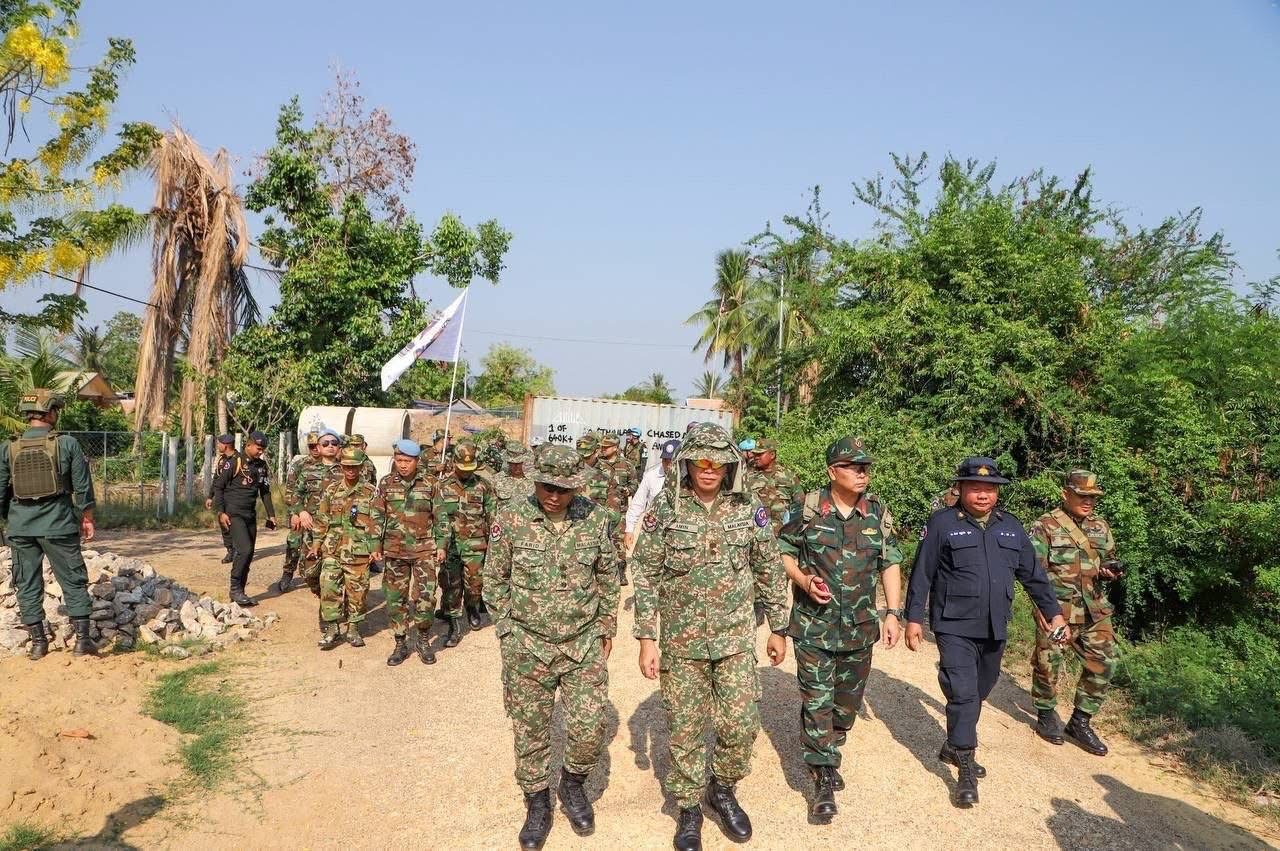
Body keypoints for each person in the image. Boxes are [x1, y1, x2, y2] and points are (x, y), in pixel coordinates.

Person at [631, 422, 789, 851]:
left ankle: (723, 788)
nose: (708, 468)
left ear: (729, 465)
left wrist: (779, 627)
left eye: (717, 462)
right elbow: (644, 572)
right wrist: (646, 638)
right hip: (682, 644)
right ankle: (688, 809)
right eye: (700, 460)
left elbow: (768, 567)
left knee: (741, 723)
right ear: (686, 462)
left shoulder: (748, 507)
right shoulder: (666, 508)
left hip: (734, 639)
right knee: (684, 729)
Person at [904, 456, 1069, 807]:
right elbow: (922, 573)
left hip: (995, 626)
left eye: (990, 489)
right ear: (961, 488)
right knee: (963, 693)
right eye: (976, 488)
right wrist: (913, 619)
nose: (983, 495)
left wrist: (1053, 613)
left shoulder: (1011, 527)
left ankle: (954, 742)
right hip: (954, 624)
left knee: (981, 689)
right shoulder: (942, 524)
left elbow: (1033, 576)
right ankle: (965, 766)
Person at [483, 445, 620, 850]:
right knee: (530, 730)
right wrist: (507, 632)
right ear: (536, 481)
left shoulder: (595, 518)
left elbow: (608, 574)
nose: (554, 496)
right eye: (547, 487)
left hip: (583, 643)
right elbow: (494, 579)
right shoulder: (511, 518)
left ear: (576, 487)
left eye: (563, 489)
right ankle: (537, 801)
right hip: (528, 645)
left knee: (590, 724)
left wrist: (606, 625)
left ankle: (572, 784)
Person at [778, 436, 903, 822]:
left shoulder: (877, 513)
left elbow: (890, 561)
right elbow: (782, 551)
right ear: (833, 472)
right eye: (853, 466)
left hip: (859, 629)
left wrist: (893, 612)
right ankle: (823, 776)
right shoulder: (807, 508)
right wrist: (803, 580)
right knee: (817, 700)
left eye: (866, 467)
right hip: (813, 627)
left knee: (845, 708)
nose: (862, 473)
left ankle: (828, 742)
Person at [1028, 470, 1121, 756]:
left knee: (1105, 661)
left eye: (1093, 497)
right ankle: (1046, 712)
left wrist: (1109, 572)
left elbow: (1107, 561)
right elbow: (1033, 572)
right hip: (1058, 609)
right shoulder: (1045, 525)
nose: (1088, 502)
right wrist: (1042, 608)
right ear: (1065, 494)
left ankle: (1080, 721)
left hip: (1094, 608)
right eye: (1082, 496)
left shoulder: (1100, 527)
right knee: (1048, 662)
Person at [0, 390, 98, 658]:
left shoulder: (8, 447)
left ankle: (38, 643)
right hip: (58, 524)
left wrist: (8, 521)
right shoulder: (67, 444)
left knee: (26, 583)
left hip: (21, 527)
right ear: (50, 412)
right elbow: (82, 487)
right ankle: (82, 642)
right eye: (56, 410)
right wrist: (87, 517)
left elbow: (0, 491)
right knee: (73, 580)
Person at [372, 439, 446, 666]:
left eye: (407, 461)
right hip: (394, 550)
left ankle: (423, 640)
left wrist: (442, 544)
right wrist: (375, 544)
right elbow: (377, 515)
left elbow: (441, 516)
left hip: (424, 550)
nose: (403, 465)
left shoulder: (431, 483)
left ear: (417, 461)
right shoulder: (386, 483)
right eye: (399, 460)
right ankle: (400, 643)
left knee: (425, 598)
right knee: (395, 598)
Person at [312, 447, 382, 649]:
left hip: (359, 551)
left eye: (354, 467)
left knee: (357, 591)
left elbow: (377, 522)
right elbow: (322, 518)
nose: (350, 470)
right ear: (341, 466)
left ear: (361, 467)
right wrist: (316, 544)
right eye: (346, 466)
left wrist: (375, 547)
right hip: (333, 549)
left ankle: (353, 629)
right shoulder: (332, 490)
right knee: (329, 587)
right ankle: (332, 629)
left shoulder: (370, 492)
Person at [434, 440, 497, 642]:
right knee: (451, 583)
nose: (466, 472)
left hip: (475, 544)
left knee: (475, 583)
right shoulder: (442, 486)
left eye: (470, 468)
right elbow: (436, 517)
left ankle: (472, 607)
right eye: (463, 467)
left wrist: (495, 542)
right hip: (450, 545)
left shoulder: (483, 485)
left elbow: (492, 515)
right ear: (454, 462)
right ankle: (454, 622)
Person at [211, 431, 277, 607]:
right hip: (234, 514)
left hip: (250, 514)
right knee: (244, 550)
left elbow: (265, 492)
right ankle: (235, 589)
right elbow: (219, 486)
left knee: (248, 554)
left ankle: (240, 592)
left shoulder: (261, 465)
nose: (260, 452)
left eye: (262, 449)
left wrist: (271, 515)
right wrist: (221, 512)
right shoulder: (235, 461)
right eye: (258, 448)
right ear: (248, 445)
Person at [286, 429, 343, 596]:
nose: (330, 446)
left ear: (339, 447)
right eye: (325, 443)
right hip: (312, 527)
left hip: (337, 528)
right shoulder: (308, 470)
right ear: (318, 447)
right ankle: (321, 594)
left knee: (334, 570)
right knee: (309, 572)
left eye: (334, 443)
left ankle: (332, 602)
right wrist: (301, 512)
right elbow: (295, 495)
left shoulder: (346, 471)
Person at [623, 438, 679, 557]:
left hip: (678, 533)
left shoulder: (689, 479)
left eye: (672, 460)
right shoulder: (651, 476)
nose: (669, 464)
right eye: (665, 460)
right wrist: (629, 530)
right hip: (653, 533)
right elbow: (637, 504)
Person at [596, 433, 637, 585]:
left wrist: (628, 490)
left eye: (607, 447)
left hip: (620, 510)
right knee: (598, 539)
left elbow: (634, 484)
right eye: (602, 446)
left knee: (619, 541)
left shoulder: (627, 465)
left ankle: (620, 572)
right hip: (599, 509)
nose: (603, 449)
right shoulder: (597, 464)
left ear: (615, 447)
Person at [280, 432, 321, 583]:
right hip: (301, 512)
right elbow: (290, 492)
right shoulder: (300, 465)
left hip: (322, 515)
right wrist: (294, 513)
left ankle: (316, 576)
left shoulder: (333, 464)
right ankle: (288, 572)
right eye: (311, 446)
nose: (315, 449)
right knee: (294, 542)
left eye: (317, 445)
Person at [745, 438, 804, 536]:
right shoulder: (747, 476)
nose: (756, 457)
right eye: (755, 454)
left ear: (772, 454)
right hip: (755, 533)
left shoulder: (788, 476)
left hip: (782, 535)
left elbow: (799, 505)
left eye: (760, 454)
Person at [205, 434, 238, 564]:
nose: (218, 446)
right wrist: (210, 496)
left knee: (235, 524)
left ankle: (239, 549)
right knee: (223, 522)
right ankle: (230, 550)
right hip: (222, 497)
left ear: (225, 445)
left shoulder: (239, 459)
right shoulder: (221, 460)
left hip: (235, 498)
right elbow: (216, 480)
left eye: (219, 444)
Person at [494, 444, 535, 508]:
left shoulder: (535, 481)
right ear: (508, 462)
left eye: (520, 463)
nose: (516, 466)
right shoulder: (497, 479)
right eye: (513, 463)